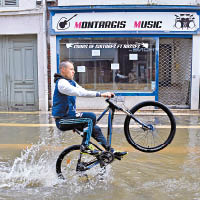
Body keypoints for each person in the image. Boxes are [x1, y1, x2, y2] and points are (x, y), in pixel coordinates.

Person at [52, 61, 127, 157]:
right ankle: (85, 146)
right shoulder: (62, 83)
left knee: (96, 129)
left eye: (73, 69)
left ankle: (110, 151)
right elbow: (79, 93)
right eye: (71, 69)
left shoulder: (71, 82)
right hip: (62, 121)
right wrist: (100, 94)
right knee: (90, 117)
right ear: (63, 70)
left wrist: (76, 122)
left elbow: (83, 90)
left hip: (69, 117)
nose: (73, 72)